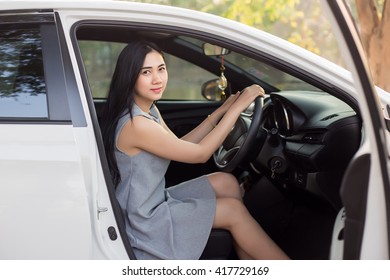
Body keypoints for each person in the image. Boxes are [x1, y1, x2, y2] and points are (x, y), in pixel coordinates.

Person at [101, 40, 289, 260]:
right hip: (144, 220)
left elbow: (181, 144)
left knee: (226, 182)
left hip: (154, 200)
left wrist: (222, 110)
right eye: (146, 72)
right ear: (130, 76)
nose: (157, 79)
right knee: (233, 211)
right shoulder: (136, 124)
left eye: (161, 69)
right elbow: (199, 154)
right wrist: (238, 108)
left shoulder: (146, 109)